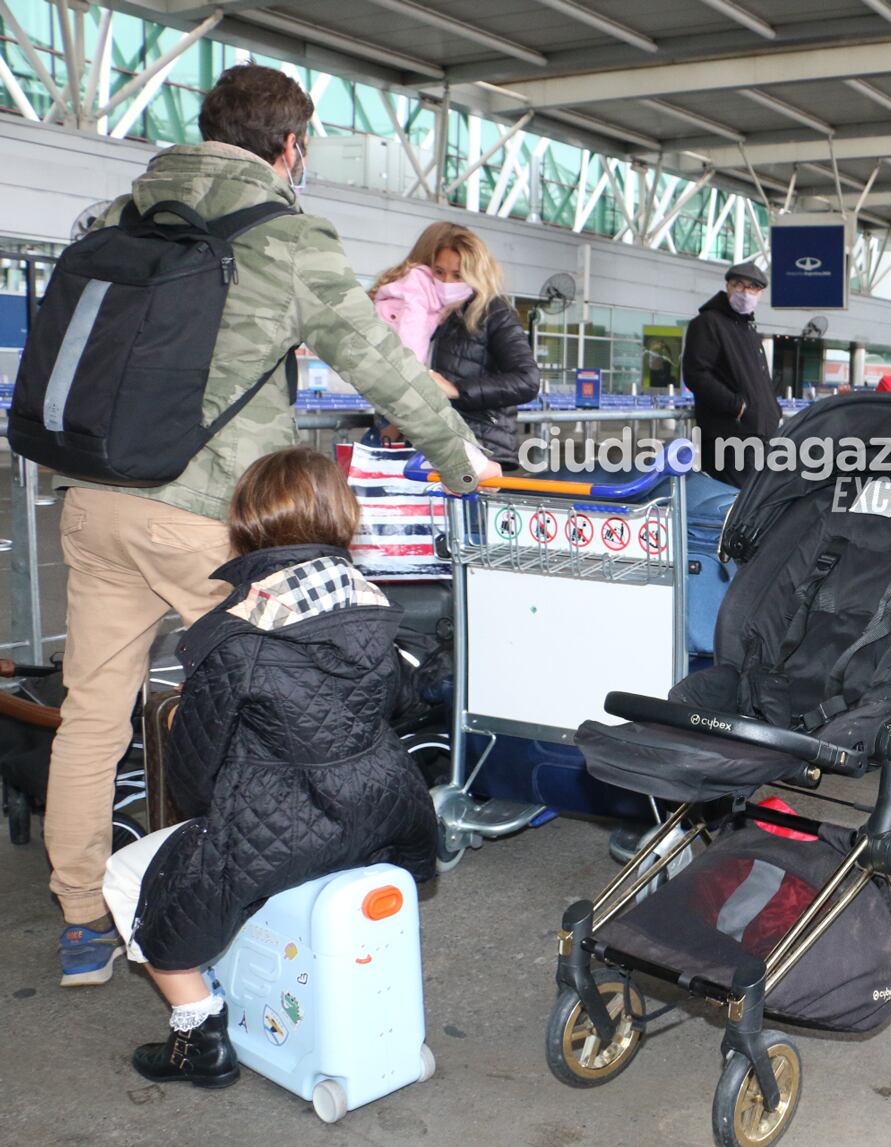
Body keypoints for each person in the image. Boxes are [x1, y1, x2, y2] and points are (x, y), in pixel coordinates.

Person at [44, 64, 496, 990]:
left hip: (94, 499)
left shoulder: (121, 218)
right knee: (307, 703)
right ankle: (273, 895)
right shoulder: (287, 237)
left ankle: (83, 918)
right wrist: (463, 459)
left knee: (92, 716)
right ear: (291, 147)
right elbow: (380, 364)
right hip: (212, 518)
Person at [101, 447, 438, 1087]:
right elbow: (402, 705)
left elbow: (194, 778)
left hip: (286, 827)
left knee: (125, 875)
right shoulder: (374, 609)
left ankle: (198, 1034)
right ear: (341, 516)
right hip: (387, 812)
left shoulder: (235, 635)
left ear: (246, 523)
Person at [371, 223, 539, 468]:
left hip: (480, 448)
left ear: (476, 273)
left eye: (458, 275)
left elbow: (527, 380)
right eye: (439, 272)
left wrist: (458, 390)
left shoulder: (493, 311)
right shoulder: (426, 311)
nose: (447, 282)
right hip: (427, 450)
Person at [683, 261, 781, 487]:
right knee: (733, 507)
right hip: (729, 439)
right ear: (728, 286)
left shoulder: (747, 328)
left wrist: (772, 411)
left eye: (752, 288)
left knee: (755, 506)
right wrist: (737, 406)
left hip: (759, 435)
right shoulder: (708, 323)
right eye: (739, 285)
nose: (745, 292)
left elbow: (759, 381)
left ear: (760, 293)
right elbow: (696, 374)